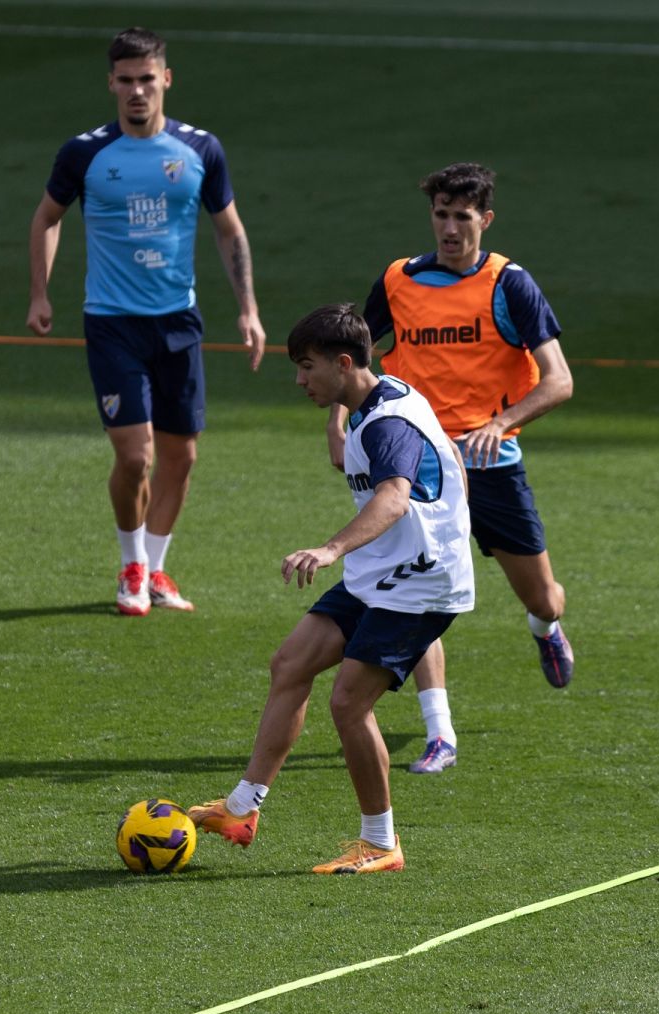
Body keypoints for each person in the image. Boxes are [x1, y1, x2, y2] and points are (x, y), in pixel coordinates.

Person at [189, 305, 473, 875]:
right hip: (382, 571)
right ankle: (242, 808)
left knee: (348, 703)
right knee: (290, 663)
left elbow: (393, 498)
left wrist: (330, 549)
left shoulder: (388, 422)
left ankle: (381, 844)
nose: (300, 380)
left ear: (343, 364)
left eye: (307, 366)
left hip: (418, 584)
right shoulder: (375, 402)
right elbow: (449, 465)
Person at [342, 162, 574, 776]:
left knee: (544, 596)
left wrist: (500, 423)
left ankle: (545, 628)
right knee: (417, 588)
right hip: (418, 464)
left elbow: (559, 381)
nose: (449, 228)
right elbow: (352, 361)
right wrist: (338, 424)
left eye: (462, 217)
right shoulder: (399, 280)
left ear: (485, 219)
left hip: (491, 463)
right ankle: (439, 732)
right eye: (441, 215)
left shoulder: (509, 285)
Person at [26, 26, 264, 616]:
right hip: (113, 323)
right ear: (111, 83)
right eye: (126, 80)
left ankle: (156, 571)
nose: (137, 90)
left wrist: (248, 309)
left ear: (166, 79)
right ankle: (131, 565)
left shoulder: (200, 149)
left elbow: (229, 230)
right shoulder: (85, 153)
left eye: (147, 79)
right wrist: (40, 294)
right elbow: (47, 217)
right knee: (137, 457)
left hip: (178, 322)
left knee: (182, 458)